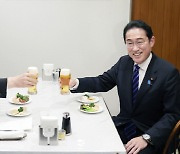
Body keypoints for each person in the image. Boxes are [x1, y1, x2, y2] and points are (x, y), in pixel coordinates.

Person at [69, 20, 180, 154]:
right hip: (123, 126)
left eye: (140, 42)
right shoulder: (124, 62)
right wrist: (76, 83)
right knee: (88, 138)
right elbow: (103, 81)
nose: (135, 48)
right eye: (130, 43)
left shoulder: (168, 72)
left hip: (149, 135)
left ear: (151, 41)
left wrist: (147, 138)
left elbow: (172, 115)